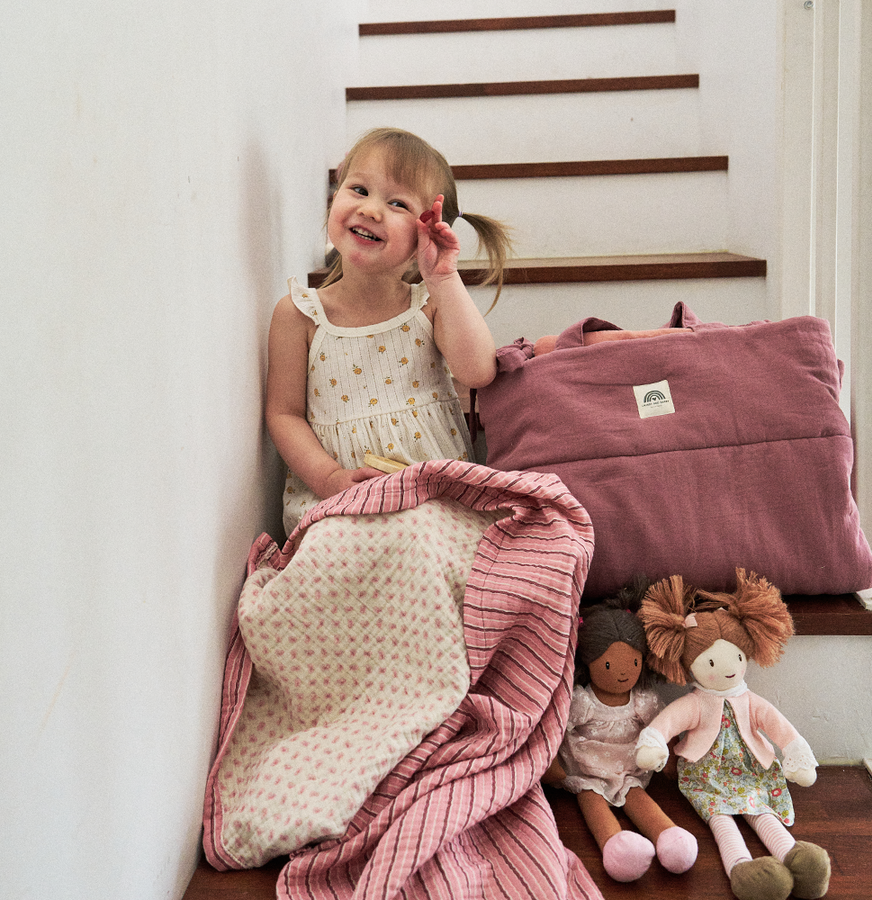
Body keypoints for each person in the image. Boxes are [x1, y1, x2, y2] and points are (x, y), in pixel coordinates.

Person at [266, 127, 512, 535]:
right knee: (338, 550)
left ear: (426, 231)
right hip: (339, 496)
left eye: (397, 203)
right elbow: (283, 414)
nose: (371, 210)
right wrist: (328, 480)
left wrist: (444, 280)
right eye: (359, 189)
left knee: (425, 541)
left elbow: (478, 372)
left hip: (429, 495)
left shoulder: (429, 304)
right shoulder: (300, 314)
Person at [635, 570, 831, 900]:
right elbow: (667, 722)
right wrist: (653, 742)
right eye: (709, 661)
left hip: (751, 773)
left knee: (761, 809)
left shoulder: (750, 700)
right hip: (707, 777)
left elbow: (778, 726)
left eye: (737, 657)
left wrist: (796, 753)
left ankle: (794, 856)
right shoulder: (695, 703)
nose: (727, 668)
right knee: (720, 817)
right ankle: (742, 867)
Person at [542, 580, 698, 882]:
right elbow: (556, 730)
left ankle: (670, 835)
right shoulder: (582, 701)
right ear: (589, 661)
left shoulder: (642, 700)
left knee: (637, 797)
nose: (624, 672)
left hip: (631, 770)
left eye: (634, 661)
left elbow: (660, 728)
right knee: (592, 800)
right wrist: (551, 766)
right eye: (610, 664)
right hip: (587, 772)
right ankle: (615, 846)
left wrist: (670, 759)